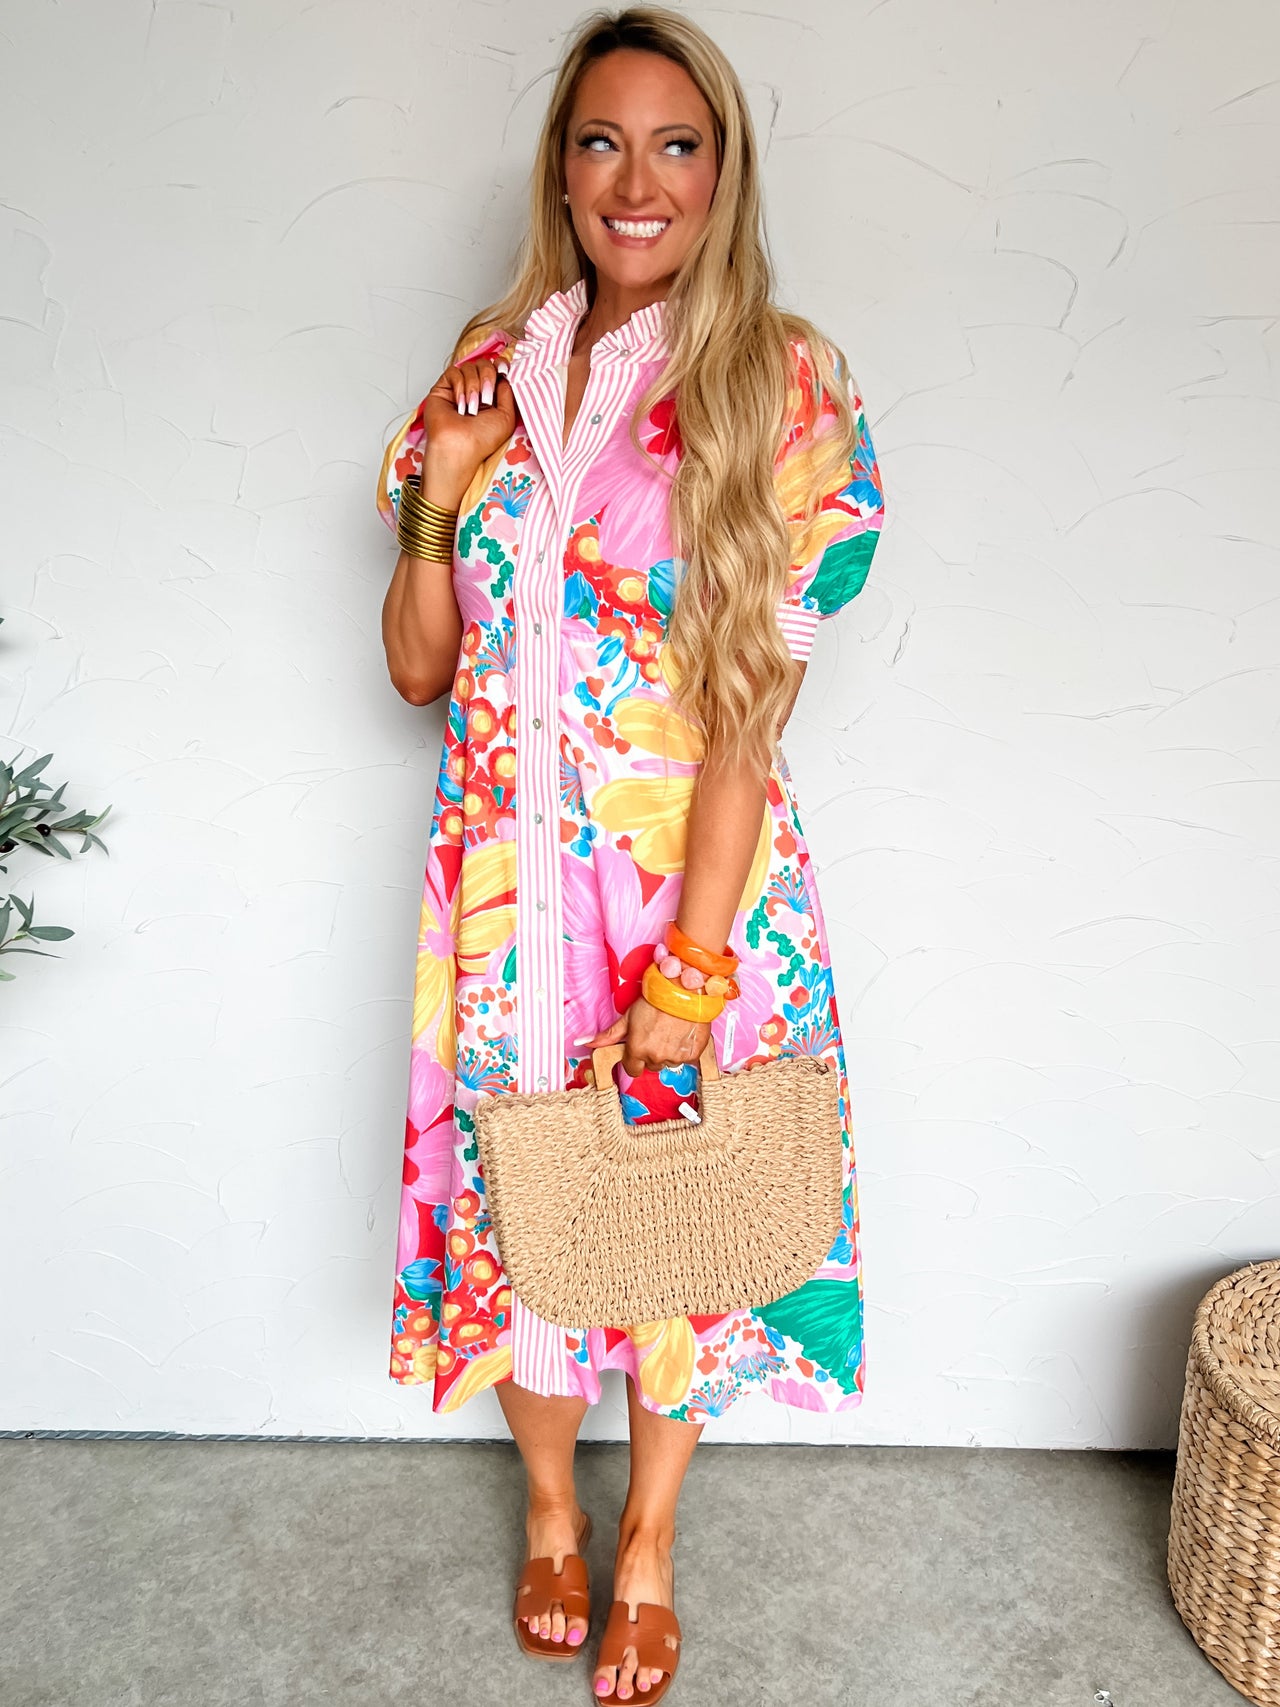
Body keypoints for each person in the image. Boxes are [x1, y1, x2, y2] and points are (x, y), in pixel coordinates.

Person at [376, 7, 884, 1700]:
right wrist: (447, 486)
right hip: (504, 889)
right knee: (528, 1211)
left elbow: (750, 716)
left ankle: (649, 1541)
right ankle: (546, 1515)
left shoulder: (783, 381)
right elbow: (421, 667)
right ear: (562, 170)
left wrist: (692, 964)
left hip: (685, 888)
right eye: (602, 142)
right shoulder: (493, 355)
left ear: (723, 171)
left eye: (676, 143)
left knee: (672, 1218)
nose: (636, 178)